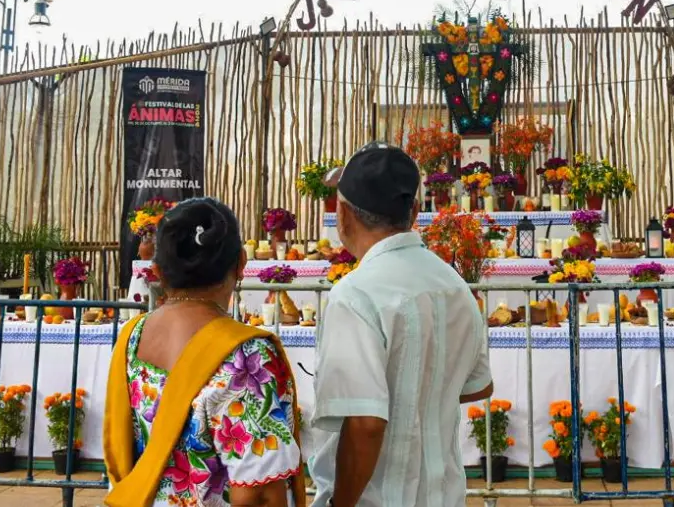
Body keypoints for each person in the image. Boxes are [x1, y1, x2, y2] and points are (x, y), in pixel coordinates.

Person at [310, 142, 495, 507]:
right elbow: (478, 387)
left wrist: (340, 504)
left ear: (343, 215)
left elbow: (366, 423)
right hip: (443, 495)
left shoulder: (355, 294)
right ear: (413, 210)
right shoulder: (452, 283)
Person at [102, 197, 307, 507]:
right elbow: (261, 494)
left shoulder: (132, 337)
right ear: (240, 263)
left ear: (156, 270)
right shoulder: (247, 355)